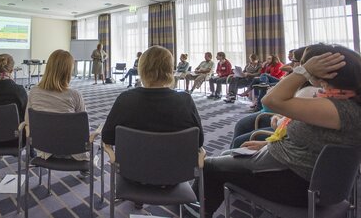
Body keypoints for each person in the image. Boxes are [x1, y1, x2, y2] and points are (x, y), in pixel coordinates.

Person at [187, 44, 361, 218]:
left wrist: (304, 70)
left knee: (208, 166)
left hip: (294, 183)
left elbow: (270, 100)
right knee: (228, 154)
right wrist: (268, 143)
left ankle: (194, 214)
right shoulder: (342, 105)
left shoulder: (340, 110)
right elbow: (315, 142)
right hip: (292, 171)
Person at [102, 45, 204, 209]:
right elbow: (198, 142)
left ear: (142, 69)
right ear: (170, 70)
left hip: (132, 175)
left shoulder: (125, 99)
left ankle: (138, 197)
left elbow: (107, 138)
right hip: (174, 176)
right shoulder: (185, 101)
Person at [25, 50, 88, 175]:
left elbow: (27, 122)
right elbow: (84, 128)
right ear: (68, 71)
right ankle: (83, 168)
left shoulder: (34, 92)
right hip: (72, 151)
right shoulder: (74, 95)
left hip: (45, 150)